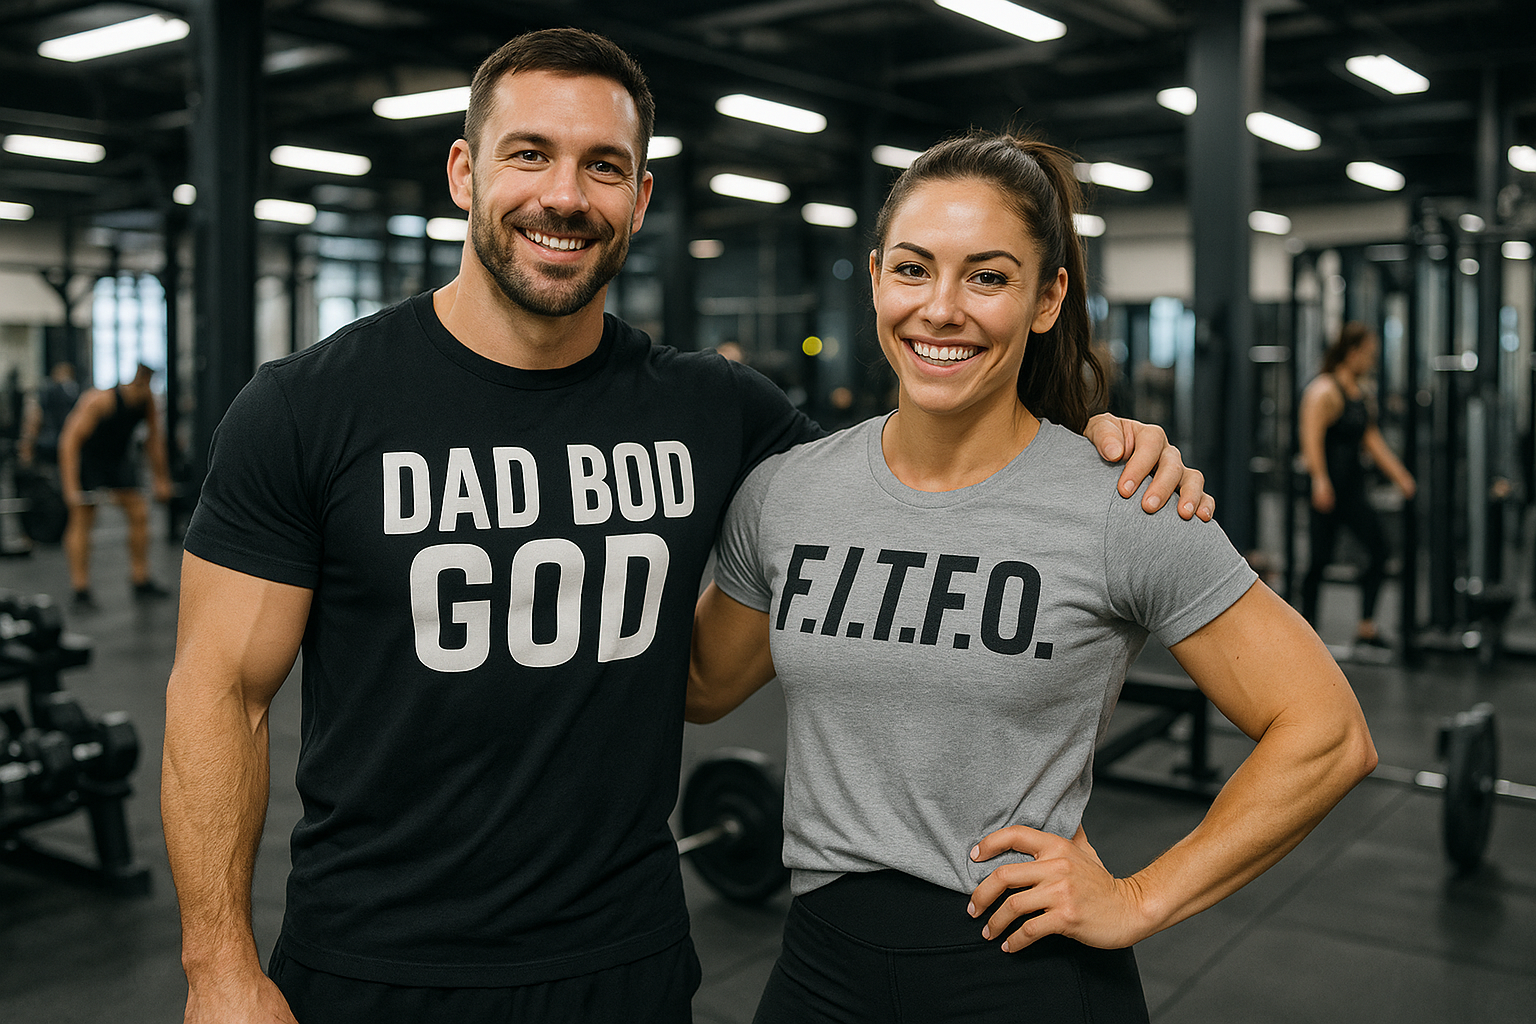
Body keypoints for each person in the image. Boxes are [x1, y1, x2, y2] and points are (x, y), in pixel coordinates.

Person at [161, 30, 1210, 1024]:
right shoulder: (307, 409)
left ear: (641, 195)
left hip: (626, 962)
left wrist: (1089, 446)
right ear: (464, 173)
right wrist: (218, 968)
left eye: (603, 166)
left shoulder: (712, 409)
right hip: (373, 963)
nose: (564, 196)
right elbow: (221, 690)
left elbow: (917, 469)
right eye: (530, 155)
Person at [686, 131, 1379, 1023]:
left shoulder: (1119, 499)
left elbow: (1326, 731)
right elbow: (702, 686)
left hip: (1021, 977)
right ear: (873, 280)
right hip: (820, 969)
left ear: (1048, 298)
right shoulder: (788, 493)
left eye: (987, 276)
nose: (940, 308)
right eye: (912, 270)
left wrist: (1140, 898)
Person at [1298, 322, 1415, 646]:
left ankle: (1366, 626)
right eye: (1369, 354)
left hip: (1352, 490)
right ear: (1352, 353)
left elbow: (1372, 440)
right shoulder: (1323, 391)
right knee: (1319, 561)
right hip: (1327, 489)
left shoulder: (1361, 394)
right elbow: (1311, 439)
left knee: (1379, 550)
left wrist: (1401, 476)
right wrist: (1320, 481)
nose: (1372, 361)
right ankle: (1305, 634)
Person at [55, 362, 173, 607]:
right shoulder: (99, 401)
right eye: (144, 382)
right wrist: (70, 488)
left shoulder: (146, 402)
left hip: (117, 462)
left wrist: (161, 479)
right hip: (90, 461)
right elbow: (69, 442)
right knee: (83, 519)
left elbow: (154, 440)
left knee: (139, 513)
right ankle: (80, 589)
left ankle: (140, 579)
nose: (147, 389)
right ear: (135, 379)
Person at [18, 360, 81, 473]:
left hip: (49, 448)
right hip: (71, 448)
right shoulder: (78, 394)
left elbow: (33, 421)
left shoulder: (45, 393)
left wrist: (26, 449)